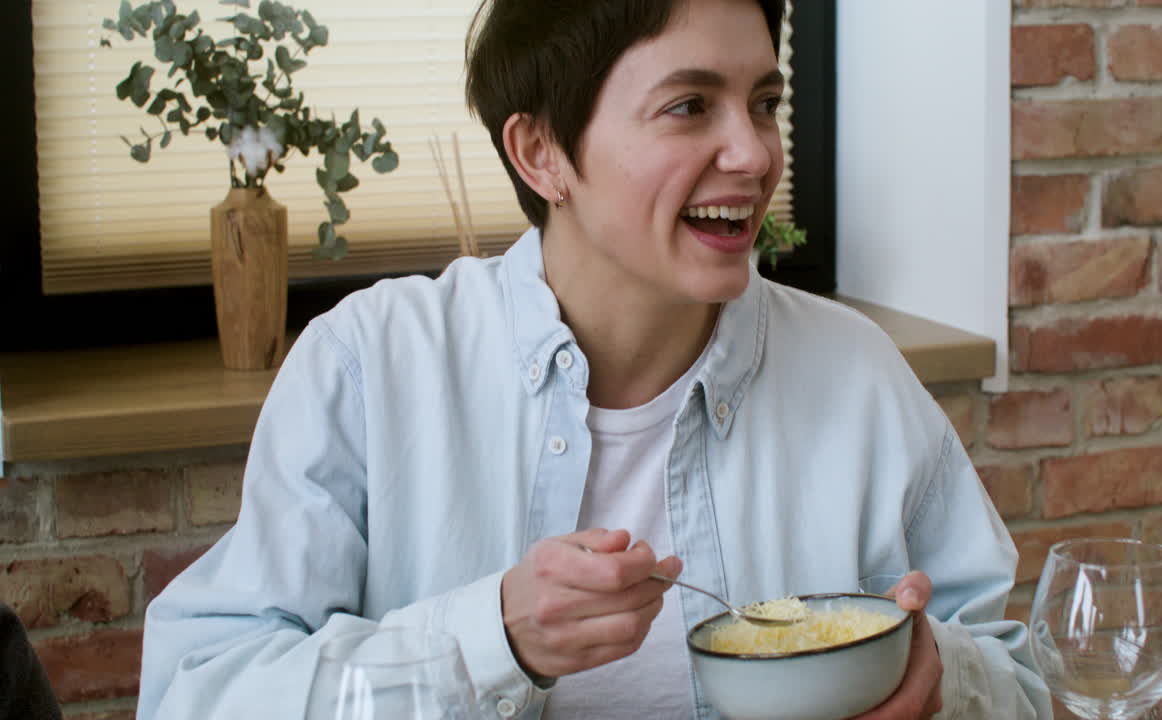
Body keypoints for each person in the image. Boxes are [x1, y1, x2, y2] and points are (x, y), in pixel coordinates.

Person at [138, 0, 1052, 717]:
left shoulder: (857, 374)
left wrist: (939, 676)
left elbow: (1020, 680)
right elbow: (197, 694)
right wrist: (494, 638)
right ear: (541, 153)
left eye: (765, 103)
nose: (755, 150)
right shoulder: (370, 368)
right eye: (690, 106)